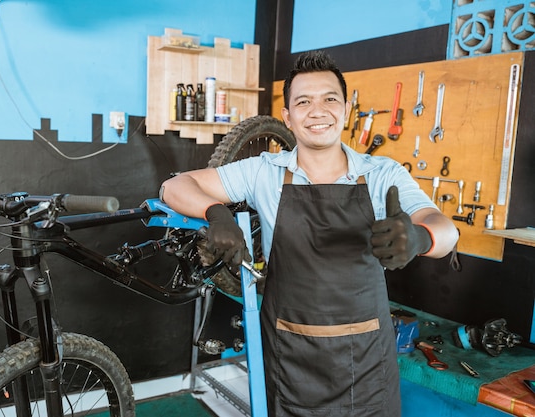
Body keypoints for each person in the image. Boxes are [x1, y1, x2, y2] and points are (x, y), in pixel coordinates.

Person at [160, 51, 459, 416]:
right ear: (288, 116)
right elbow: (174, 187)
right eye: (303, 102)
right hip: (291, 360)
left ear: (346, 109)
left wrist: (420, 237)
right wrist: (215, 212)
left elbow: (445, 230)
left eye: (329, 99)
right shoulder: (264, 172)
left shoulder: (383, 174)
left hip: (367, 366)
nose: (317, 111)